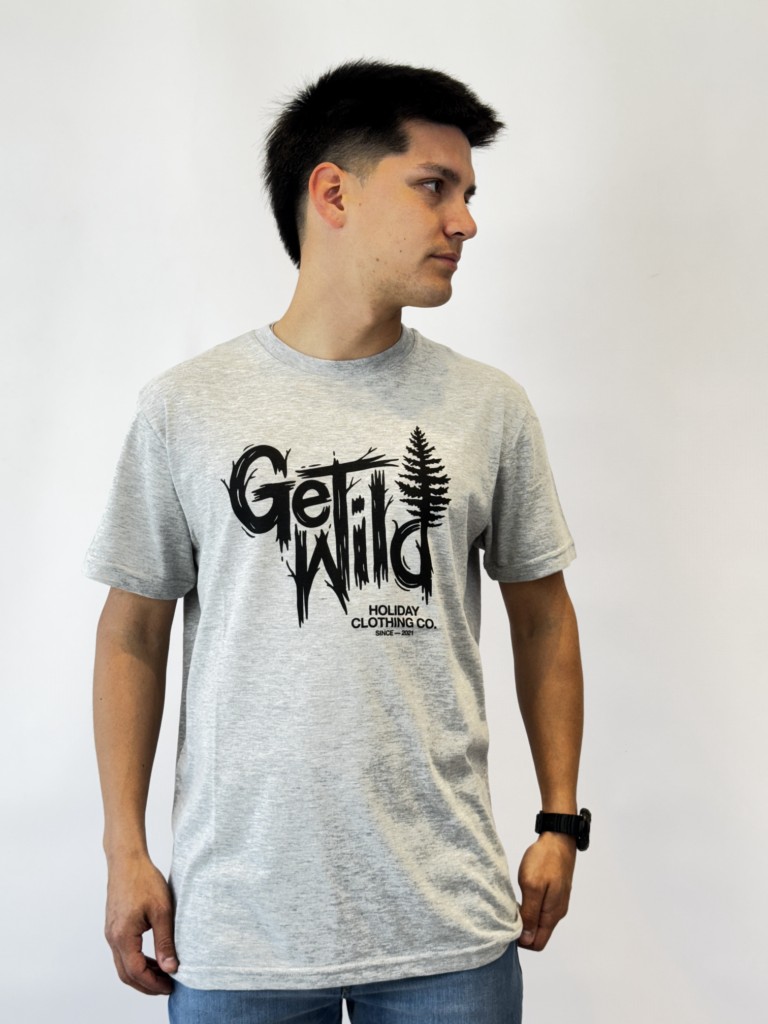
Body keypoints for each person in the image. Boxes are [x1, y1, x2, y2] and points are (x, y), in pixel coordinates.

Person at [86, 60, 587, 1024]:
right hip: (238, 933)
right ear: (334, 193)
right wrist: (124, 851)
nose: (465, 222)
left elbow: (544, 617)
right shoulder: (186, 408)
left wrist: (560, 819)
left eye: (469, 194)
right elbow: (132, 634)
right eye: (435, 186)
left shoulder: (488, 408)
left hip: (448, 928)